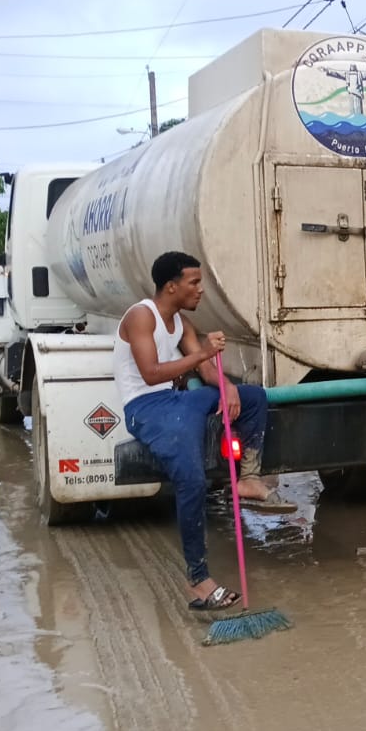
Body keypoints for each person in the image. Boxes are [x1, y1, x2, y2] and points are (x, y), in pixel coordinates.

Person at [115, 251, 296, 611]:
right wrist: (202, 357)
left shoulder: (180, 323)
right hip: (146, 409)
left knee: (254, 397)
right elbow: (151, 373)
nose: (200, 290)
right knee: (192, 481)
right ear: (171, 286)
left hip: (178, 403)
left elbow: (207, 369)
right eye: (194, 283)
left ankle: (247, 477)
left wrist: (227, 387)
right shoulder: (141, 316)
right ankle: (198, 579)